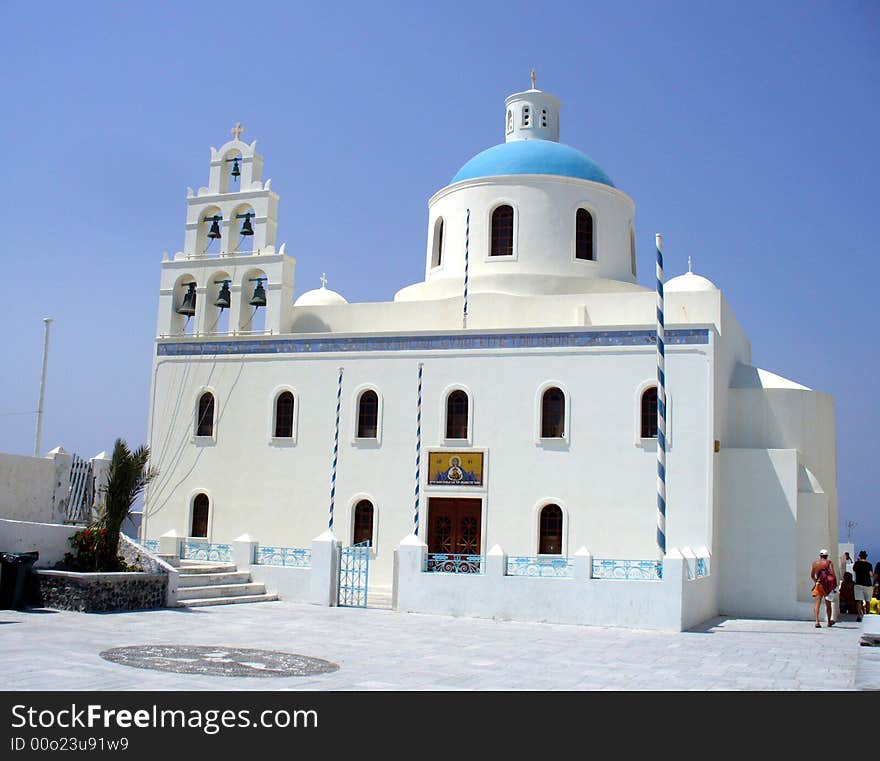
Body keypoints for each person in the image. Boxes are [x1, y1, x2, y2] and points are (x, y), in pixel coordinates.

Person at [811, 549, 837, 628]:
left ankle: (817, 621)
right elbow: (833, 574)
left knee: (817, 603)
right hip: (827, 586)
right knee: (828, 604)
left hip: (819, 585)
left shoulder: (815, 564)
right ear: (827, 556)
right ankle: (829, 621)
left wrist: (816, 581)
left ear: (820, 555)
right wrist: (834, 584)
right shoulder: (829, 563)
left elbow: (812, 575)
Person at [852, 550, 873, 622]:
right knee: (868, 601)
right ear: (866, 556)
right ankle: (867, 615)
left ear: (859, 556)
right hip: (868, 584)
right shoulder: (869, 564)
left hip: (859, 584)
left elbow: (854, 570)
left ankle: (859, 615)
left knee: (858, 601)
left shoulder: (857, 563)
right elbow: (871, 574)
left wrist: (857, 561)